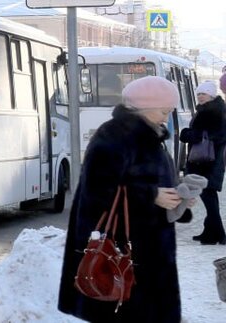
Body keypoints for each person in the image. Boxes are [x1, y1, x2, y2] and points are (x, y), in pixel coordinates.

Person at [58, 76, 185, 322]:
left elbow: (159, 181)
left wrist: (178, 200)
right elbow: (97, 190)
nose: (166, 118)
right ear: (143, 108)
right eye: (163, 111)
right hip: (123, 250)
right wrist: (151, 195)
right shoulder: (114, 136)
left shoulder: (153, 136)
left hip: (151, 249)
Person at [181, 80, 226, 244]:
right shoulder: (208, 109)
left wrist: (190, 134)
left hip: (208, 162)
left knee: (209, 197)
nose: (200, 96)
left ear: (211, 95)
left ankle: (220, 234)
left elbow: (218, 135)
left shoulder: (214, 111)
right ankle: (210, 233)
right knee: (209, 197)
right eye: (198, 94)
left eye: (203, 94)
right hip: (207, 160)